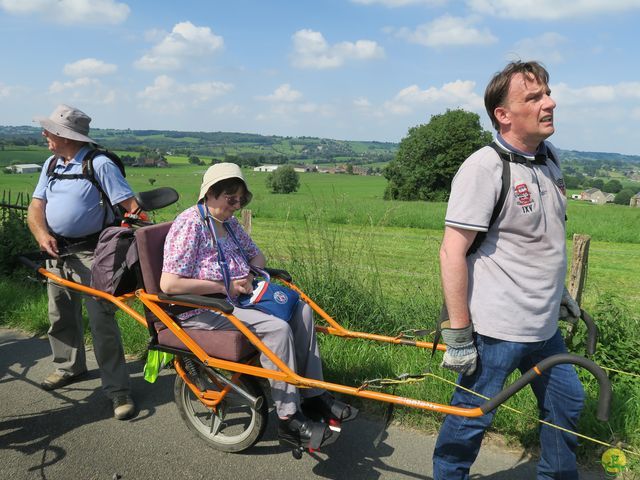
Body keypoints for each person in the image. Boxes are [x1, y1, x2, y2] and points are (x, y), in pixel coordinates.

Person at [433, 61, 584, 479]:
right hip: (495, 329)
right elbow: (452, 252)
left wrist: (561, 295)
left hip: (542, 328)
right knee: (470, 418)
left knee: (566, 404)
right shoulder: (484, 167)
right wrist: (459, 335)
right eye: (534, 97)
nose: (550, 103)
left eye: (547, 93)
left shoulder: (549, 159)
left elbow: (542, 240)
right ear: (503, 114)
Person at [160, 162, 355, 448]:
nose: (237, 205)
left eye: (241, 200)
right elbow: (169, 284)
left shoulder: (229, 223)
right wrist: (224, 286)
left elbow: (257, 256)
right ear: (210, 194)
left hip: (238, 298)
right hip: (203, 308)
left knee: (301, 309)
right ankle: (289, 420)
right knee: (276, 329)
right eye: (231, 199)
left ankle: (313, 395)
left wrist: (248, 276)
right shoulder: (190, 224)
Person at [27, 104, 140, 420]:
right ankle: (69, 366)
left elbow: (131, 208)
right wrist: (41, 234)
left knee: (102, 324)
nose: (44, 134)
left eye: (49, 130)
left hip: (94, 256)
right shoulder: (52, 164)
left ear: (64, 135)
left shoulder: (100, 164)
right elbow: (36, 208)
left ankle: (118, 391)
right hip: (56, 253)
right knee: (59, 314)